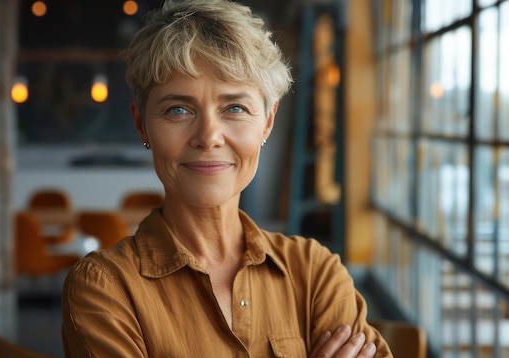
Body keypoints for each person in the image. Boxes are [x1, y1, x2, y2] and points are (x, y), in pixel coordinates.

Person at [61, 0, 393, 356]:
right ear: (141, 123)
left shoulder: (316, 274)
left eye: (235, 108)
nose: (209, 136)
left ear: (267, 121)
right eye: (178, 109)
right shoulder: (104, 289)